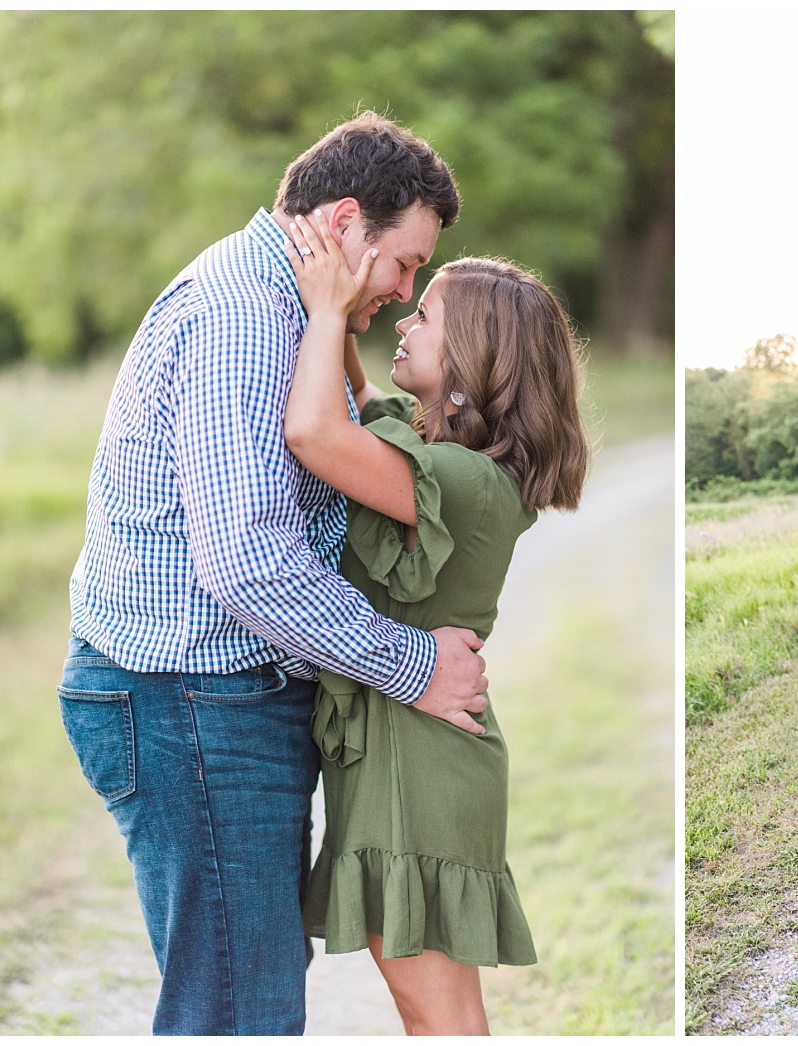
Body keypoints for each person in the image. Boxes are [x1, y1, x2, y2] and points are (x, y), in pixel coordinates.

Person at [57, 113, 491, 1035]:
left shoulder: (284, 304)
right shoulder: (246, 313)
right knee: (237, 1012)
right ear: (343, 223)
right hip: (191, 702)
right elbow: (249, 560)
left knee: (243, 989)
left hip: (205, 699)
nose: (404, 288)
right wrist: (416, 668)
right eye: (405, 262)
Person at [281, 211, 589, 1034]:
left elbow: (316, 430)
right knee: (433, 1017)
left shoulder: (462, 483)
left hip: (419, 771)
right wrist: (346, 318)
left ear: (475, 357)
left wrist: (320, 310)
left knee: (441, 1018)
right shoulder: (447, 466)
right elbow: (361, 403)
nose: (406, 319)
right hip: (401, 752)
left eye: (427, 315)